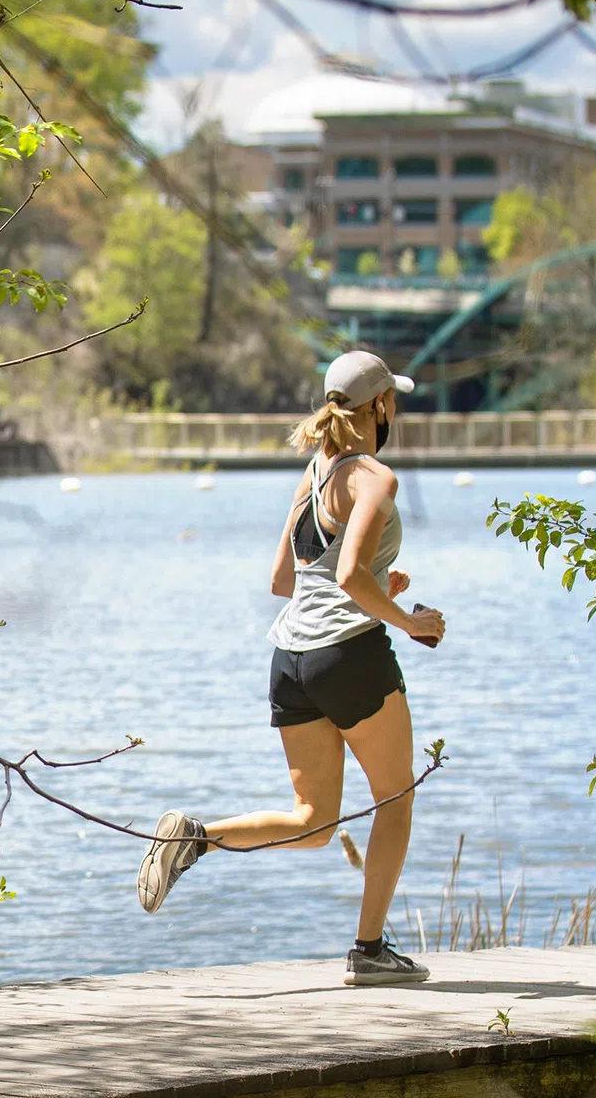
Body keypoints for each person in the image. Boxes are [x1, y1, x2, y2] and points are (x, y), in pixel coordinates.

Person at [132, 350, 447, 986]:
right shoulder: (375, 478)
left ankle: (193, 836)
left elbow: (286, 580)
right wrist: (408, 620)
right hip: (350, 654)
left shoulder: (314, 472)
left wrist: (379, 581)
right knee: (397, 797)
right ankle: (369, 950)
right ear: (380, 406)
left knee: (314, 823)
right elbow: (352, 576)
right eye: (395, 400)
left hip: (291, 661)